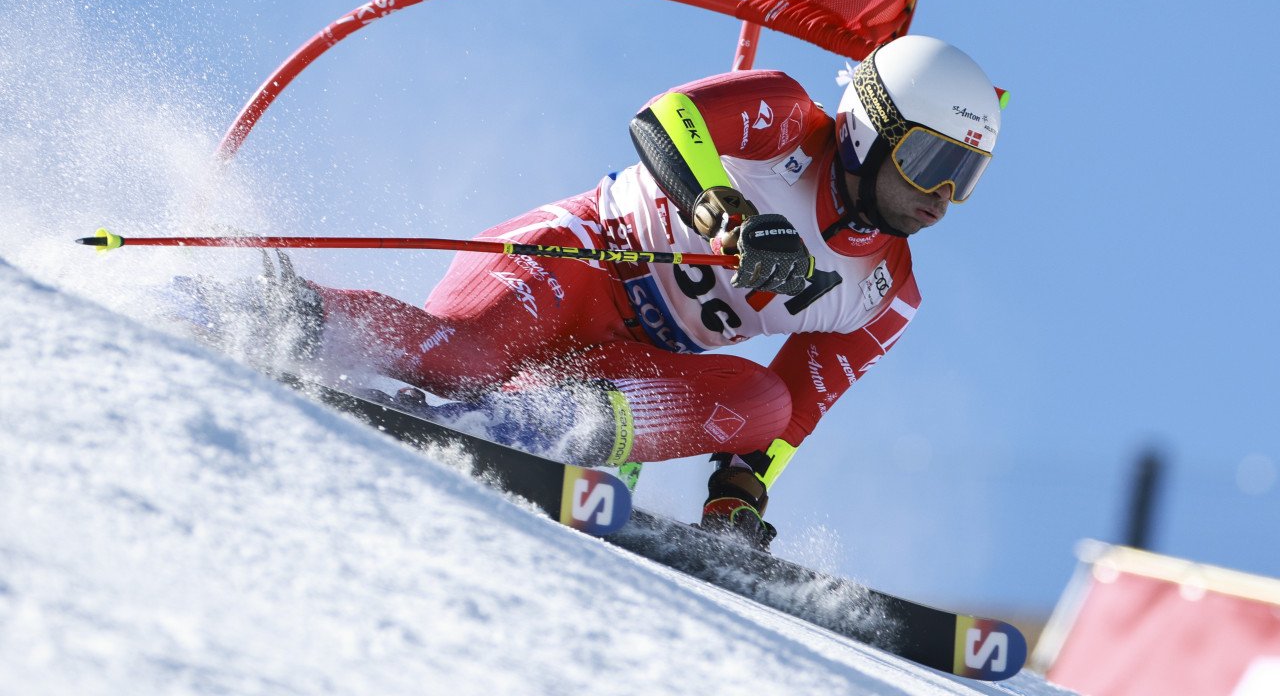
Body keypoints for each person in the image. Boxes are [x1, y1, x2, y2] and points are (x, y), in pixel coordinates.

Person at [237, 34, 1003, 550]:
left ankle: (538, 425)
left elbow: (797, 408)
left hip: (632, 359)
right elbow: (667, 118)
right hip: (579, 261)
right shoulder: (787, 118)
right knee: (462, 359)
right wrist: (722, 211)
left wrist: (736, 495)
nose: (942, 196)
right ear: (869, 129)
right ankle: (289, 314)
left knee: (764, 402)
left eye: (964, 176)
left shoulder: (886, 294)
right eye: (930, 161)